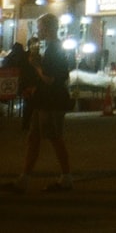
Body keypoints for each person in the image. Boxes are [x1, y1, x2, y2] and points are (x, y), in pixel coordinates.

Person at [3, 13, 73, 193]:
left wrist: (36, 66)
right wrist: (35, 89)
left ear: (48, 29)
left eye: (40, 27)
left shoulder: (53, 50)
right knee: (33, 138)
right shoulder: (52, 48)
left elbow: (50, 79)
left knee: (54, 138)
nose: (38, 31)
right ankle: (24, 179)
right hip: (44, 100)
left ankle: (66, 178)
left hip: (51, 101)